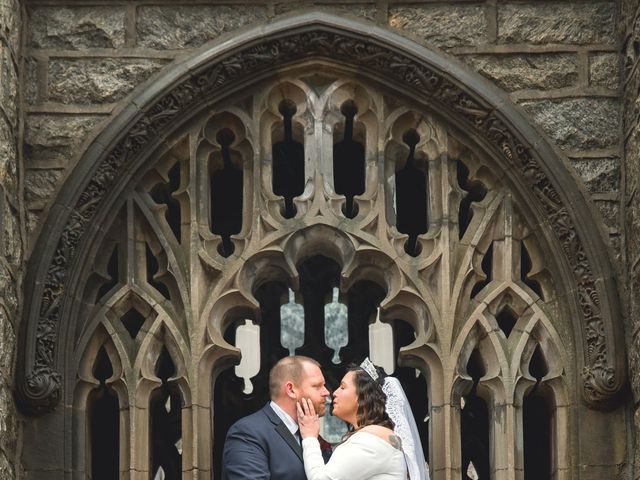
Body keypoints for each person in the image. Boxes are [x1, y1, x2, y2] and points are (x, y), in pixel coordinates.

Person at [221, 355, 331, 480]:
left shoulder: (309, 433)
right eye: (317, 386)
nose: (326, 392)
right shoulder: (247, 433)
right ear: (291, 390)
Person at [297, 359, 409, 480]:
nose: (334, 393)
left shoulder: (369, 442)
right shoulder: (375, 436)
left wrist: (310, 438)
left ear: (363, 397)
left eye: (343, 387)